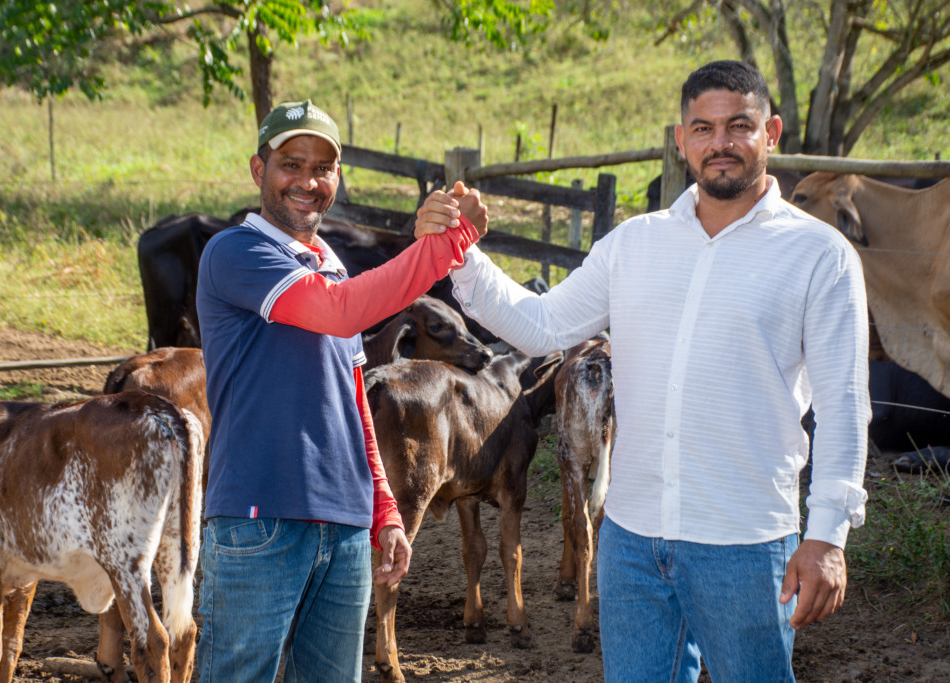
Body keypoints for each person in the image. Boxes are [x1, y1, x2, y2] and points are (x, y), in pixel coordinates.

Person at [415, 61, 870, 682]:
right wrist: (461, 253)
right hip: (631, 541)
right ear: (681, 140)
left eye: (739, 125)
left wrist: (828, 537)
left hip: (743, 540)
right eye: (703, 128)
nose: (721, 143)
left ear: (772, 133)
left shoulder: (820, 255)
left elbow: (845, 407)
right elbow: (543, 325)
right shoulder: (634, 245)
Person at [194, 99, 485, 682]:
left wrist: (383, 511)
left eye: (322, 167)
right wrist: (445, 244)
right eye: (290, 164)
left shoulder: (331, 264)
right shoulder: (236, 253)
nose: (307, 181)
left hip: (346, 525)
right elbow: (337, 311)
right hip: (260, 516)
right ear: (259, 171)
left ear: (338, 179)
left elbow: (353, 400)